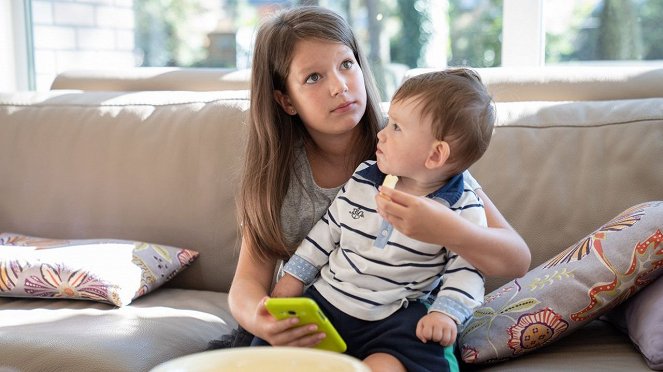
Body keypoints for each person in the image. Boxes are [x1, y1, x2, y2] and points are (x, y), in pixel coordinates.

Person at [228, 4, 530, 370]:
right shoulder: (280, 175)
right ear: (286, 100)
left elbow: (515, 257)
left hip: (403, 323)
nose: (339, 86)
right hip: (325, 317)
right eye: (313, 78)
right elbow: (247, 283)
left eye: (346, 64)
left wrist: (447, 229)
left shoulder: (416, 147)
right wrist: (261, 320)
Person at [271, 68, 491, 372]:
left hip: (396, 318)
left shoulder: (463, 206)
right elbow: (327, 231)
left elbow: (467, 268)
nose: (381, 133)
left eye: (397, 128)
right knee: (276, 349)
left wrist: (446, 314)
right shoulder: (364, 177)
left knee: (398, 362)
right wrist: (294, 277)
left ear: (435, 155)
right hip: (330, 303)